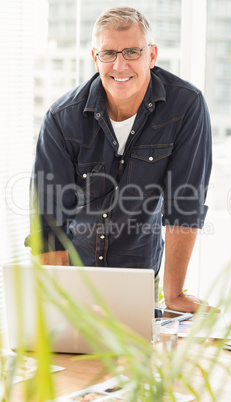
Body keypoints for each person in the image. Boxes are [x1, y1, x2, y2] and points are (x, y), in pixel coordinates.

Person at [25, 6, 213, 313]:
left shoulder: (186, 106)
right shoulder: (61, 118)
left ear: (151, 56)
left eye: (131, 52)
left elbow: (185, 203)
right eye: (109, 53)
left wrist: (175, 294)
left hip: (138, 279)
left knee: (139, 360)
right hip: (74, 280)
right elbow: (48, 219)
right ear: (95, 58)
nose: (119, 65)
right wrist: (59, 299)